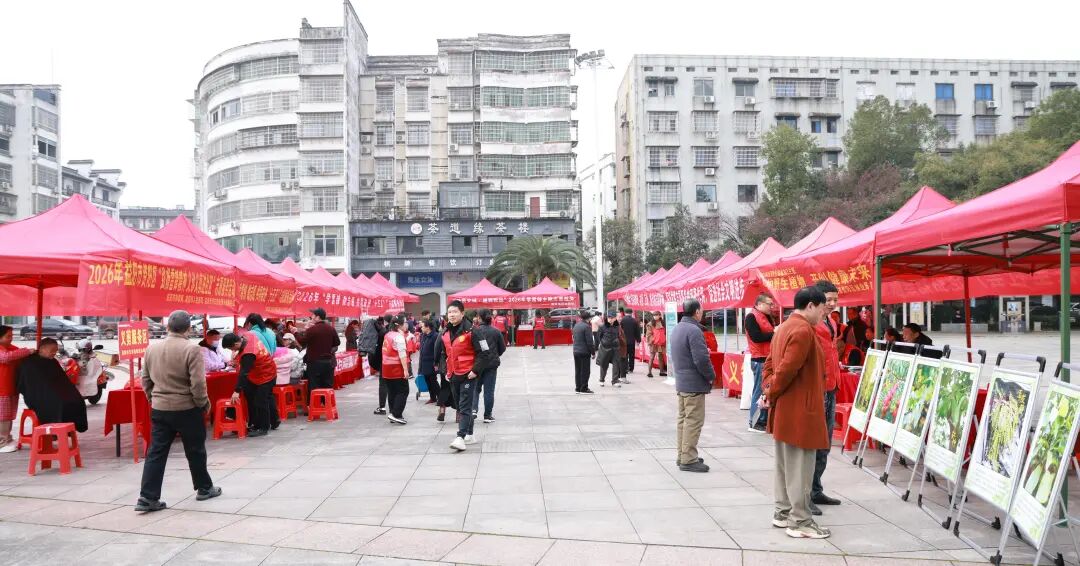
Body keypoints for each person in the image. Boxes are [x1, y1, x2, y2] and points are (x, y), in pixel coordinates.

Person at [762, 286, 831, 539]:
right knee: (800, 468)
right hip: (801, 410)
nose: (824, 313)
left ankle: (783, 512)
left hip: (786, 409)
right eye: (822, 308)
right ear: (810, 305)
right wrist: (771, 391)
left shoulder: (783, 328)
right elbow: (786, 370)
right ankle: (800, 521)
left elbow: (770, 366)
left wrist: (768, 389)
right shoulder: (803, 330)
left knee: (784, 466)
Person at [137, 311, 221, 512]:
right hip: (186, 408)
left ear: (167, 327)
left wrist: (153, 398)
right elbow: (198, 383)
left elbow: (145, 380)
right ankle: (204, 487)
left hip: (160, 408)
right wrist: (202, 403)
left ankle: (147, 497)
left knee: (156, 453)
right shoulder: (192, 349)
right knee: (195, 450)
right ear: (189, 329)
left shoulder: (152, 349)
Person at [671, 298, 716, 472]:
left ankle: (683, 455)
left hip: (682, 382)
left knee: (683, 420)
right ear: (697, 312)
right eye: (701, 310)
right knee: (693, 421)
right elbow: (701, 359)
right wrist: (711, 376)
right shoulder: (694, 330)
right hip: (693, 383)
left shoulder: (678, 328)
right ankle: (688, 459)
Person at [810, 280, 843, 516]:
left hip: (831, 386)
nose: (832, 304)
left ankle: (815, 489)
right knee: (812, 443)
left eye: (835, 300)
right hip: (817, 387)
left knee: (825, 442)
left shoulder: (831, 321)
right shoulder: (810, 322)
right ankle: (804, 493)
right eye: (828, 299)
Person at [17, 338, 88, 433]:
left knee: (77, 401)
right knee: (60, 404)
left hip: (52, 392)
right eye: (52, 350)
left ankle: (70, 429)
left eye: (56, 351)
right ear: (42, 349)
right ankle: (56, 431)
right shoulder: (29, 363)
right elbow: (32, 385)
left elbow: (62, 380)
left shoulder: (52, 361)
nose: (54, 353)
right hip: (38, 396)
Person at [440, 301, 481, 451]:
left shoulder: (473, 331)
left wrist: (475, 370)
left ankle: (460, 437)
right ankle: (470, 434)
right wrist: (445, 370)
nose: (451, 315)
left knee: (464, 405)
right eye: (449, 312)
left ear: (462, 313)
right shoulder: (445, 332)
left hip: (468, 374)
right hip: (453, 374)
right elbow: (443, 354)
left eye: (455, 312)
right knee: (460, 405)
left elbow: (484, 353)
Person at [222, 328, 278, 437]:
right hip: (262, 372)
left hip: (265, 375)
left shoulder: (248, 353)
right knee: (258, 397)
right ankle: (270, 421)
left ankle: (263, 427)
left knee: (260, 401)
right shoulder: (248, 335)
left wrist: (237, 391)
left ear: (236, 343)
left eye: (231, 348)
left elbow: (244, 373)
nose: (232, 350)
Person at [745, 293, 776, 433]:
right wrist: (774, 333)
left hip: (768, 359)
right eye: (769, 304)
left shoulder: (767, 316)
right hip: (759, 360)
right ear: (759, 304)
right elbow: (756, 337)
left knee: (765, 391)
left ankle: (763, 421)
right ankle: (755, 422)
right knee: (759, 390)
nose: (771, 306)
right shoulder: (751, 317)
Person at [0, 325, 33, 453]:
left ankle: (7, 438)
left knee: (9, 416)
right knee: (2, 417)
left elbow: (18, 354)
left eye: (12, 336)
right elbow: (6, 357)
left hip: (11, 387)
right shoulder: (3, 350)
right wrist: (27, 351)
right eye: (8, 336)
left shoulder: (11, 348)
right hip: (2, 389)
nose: (11, 338)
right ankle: (1, 442)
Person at [470, 309, 506, 423]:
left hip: (477, 365)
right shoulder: (496, 331)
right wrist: (494, 354)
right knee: (489, 391)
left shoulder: (474, 331)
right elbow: (502, 348)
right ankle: (487, 415)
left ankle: (473, 411)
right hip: (491, 365)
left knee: (475, 389)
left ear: (479, 318)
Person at [299, 308, 340, 397]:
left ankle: (315, 404)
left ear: (318, 317)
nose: (311, 317)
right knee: (327, 385)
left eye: (313, 315)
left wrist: (295, 332)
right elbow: (337, 343)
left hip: (314, 362)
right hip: (328, 362)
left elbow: (302, 341)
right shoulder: (331, 329)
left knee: (314, 386)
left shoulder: (312, 330)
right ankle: (326, 403)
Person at [381, 315, 412, 424]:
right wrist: (405, 370)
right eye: (405, 322)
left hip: (386, 367)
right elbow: (402, 354)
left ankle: (393, 413)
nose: (407, 324)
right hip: (396, 367)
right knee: (403, 391)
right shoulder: (399, 337)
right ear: (399, 325)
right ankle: (396, 414)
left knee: (392, 391)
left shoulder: (388, 334)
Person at [595, 311, 627, 388]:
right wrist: (603, 343)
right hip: (605, 348)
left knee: (616, 364)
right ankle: (601, 380)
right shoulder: (602, 327)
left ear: (615, 318)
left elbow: (619, 336)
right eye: (609, 317)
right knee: (604, 364)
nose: (610, 319)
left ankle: (615, 381)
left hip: (615, 348)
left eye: (612, 318)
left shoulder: (617, 327)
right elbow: (598, 337)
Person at [572, 310, 596, 394]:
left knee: (578, 370)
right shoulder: (587, 327)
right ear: (588, 318)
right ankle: (584, 388)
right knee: (585, 370)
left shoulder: (576, 325)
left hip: (576, 351)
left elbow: (573, 338)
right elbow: (589, 342)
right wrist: (593, 352)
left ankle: (578, 388)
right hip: (584, 351)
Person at [417, 320, 440, 405]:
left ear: (428, 327)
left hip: (431, 363)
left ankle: (440, 398)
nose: (421, 328)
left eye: (422, 326)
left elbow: (438, 350)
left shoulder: (435, 336)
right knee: (427, 381)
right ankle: (432, 398)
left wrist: (436, 363)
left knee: (433, 381)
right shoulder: (423, 335)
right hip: (424, 362)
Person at [373, 314, 392, 415]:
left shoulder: (383, 332)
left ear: (385, 321)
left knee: (383, 384)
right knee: (393, 385)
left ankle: (382, 407)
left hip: (384, 361)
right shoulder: (396, 332)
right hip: (395, 362)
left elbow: (378, 347)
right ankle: (393, 409)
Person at [620, 308, 641, 376]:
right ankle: (631, 368)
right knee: (632, 355)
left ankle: (625, 368)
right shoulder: (634, 321)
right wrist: (638, 340)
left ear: (625, 313)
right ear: (631, 313)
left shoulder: (622, 320)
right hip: (632, 341)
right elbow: (637, 331)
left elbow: (620, 331)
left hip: (623, 341)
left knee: (625, 355)